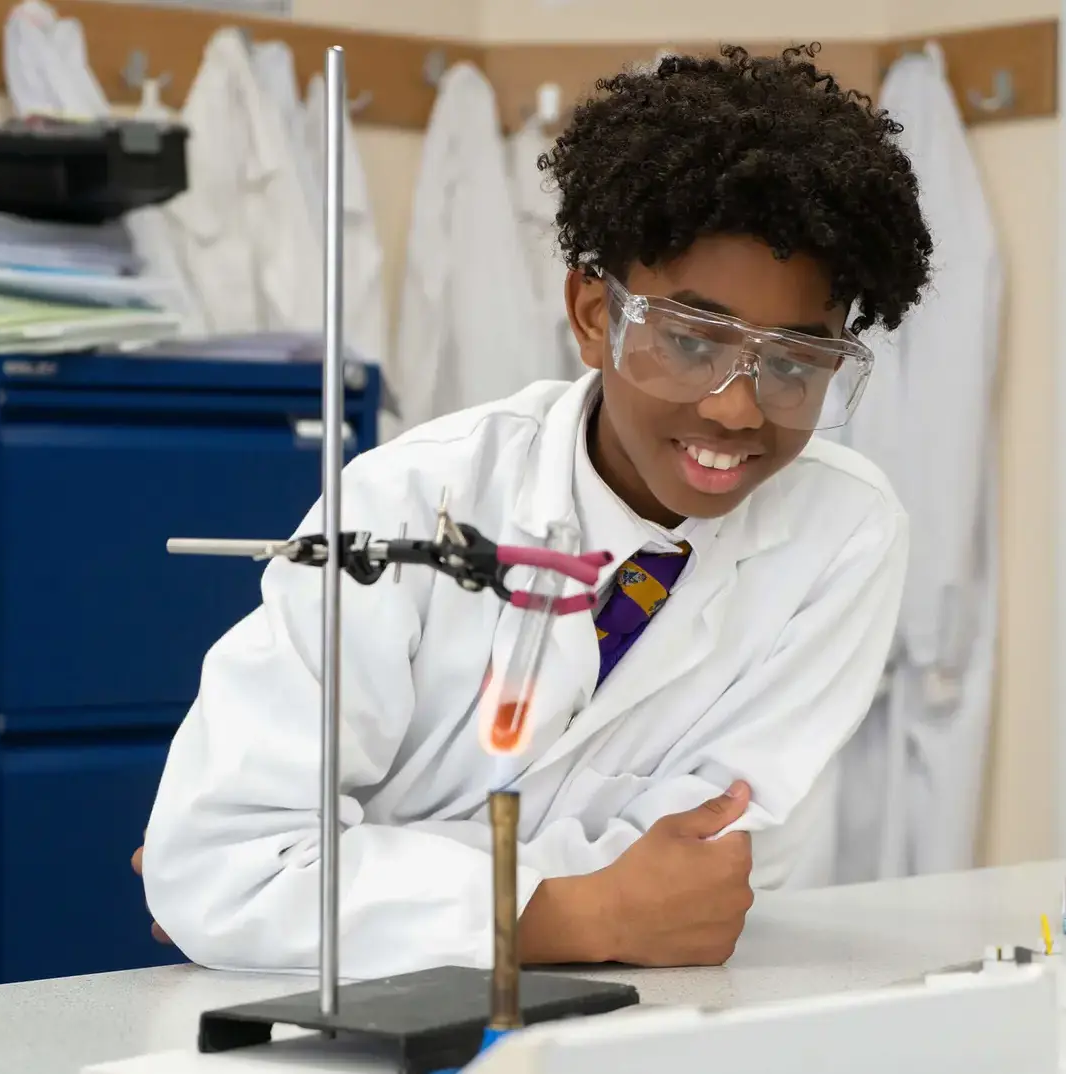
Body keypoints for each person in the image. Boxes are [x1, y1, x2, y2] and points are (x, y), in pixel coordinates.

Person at [136, 44, 933, 977]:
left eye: (797, 359)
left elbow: (699, 877)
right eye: (689, 341)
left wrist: (343, 891)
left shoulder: (844, 537)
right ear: (595, 314)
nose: (735, 407)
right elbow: (225, 869)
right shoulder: (410, 501)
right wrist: (571, 916)